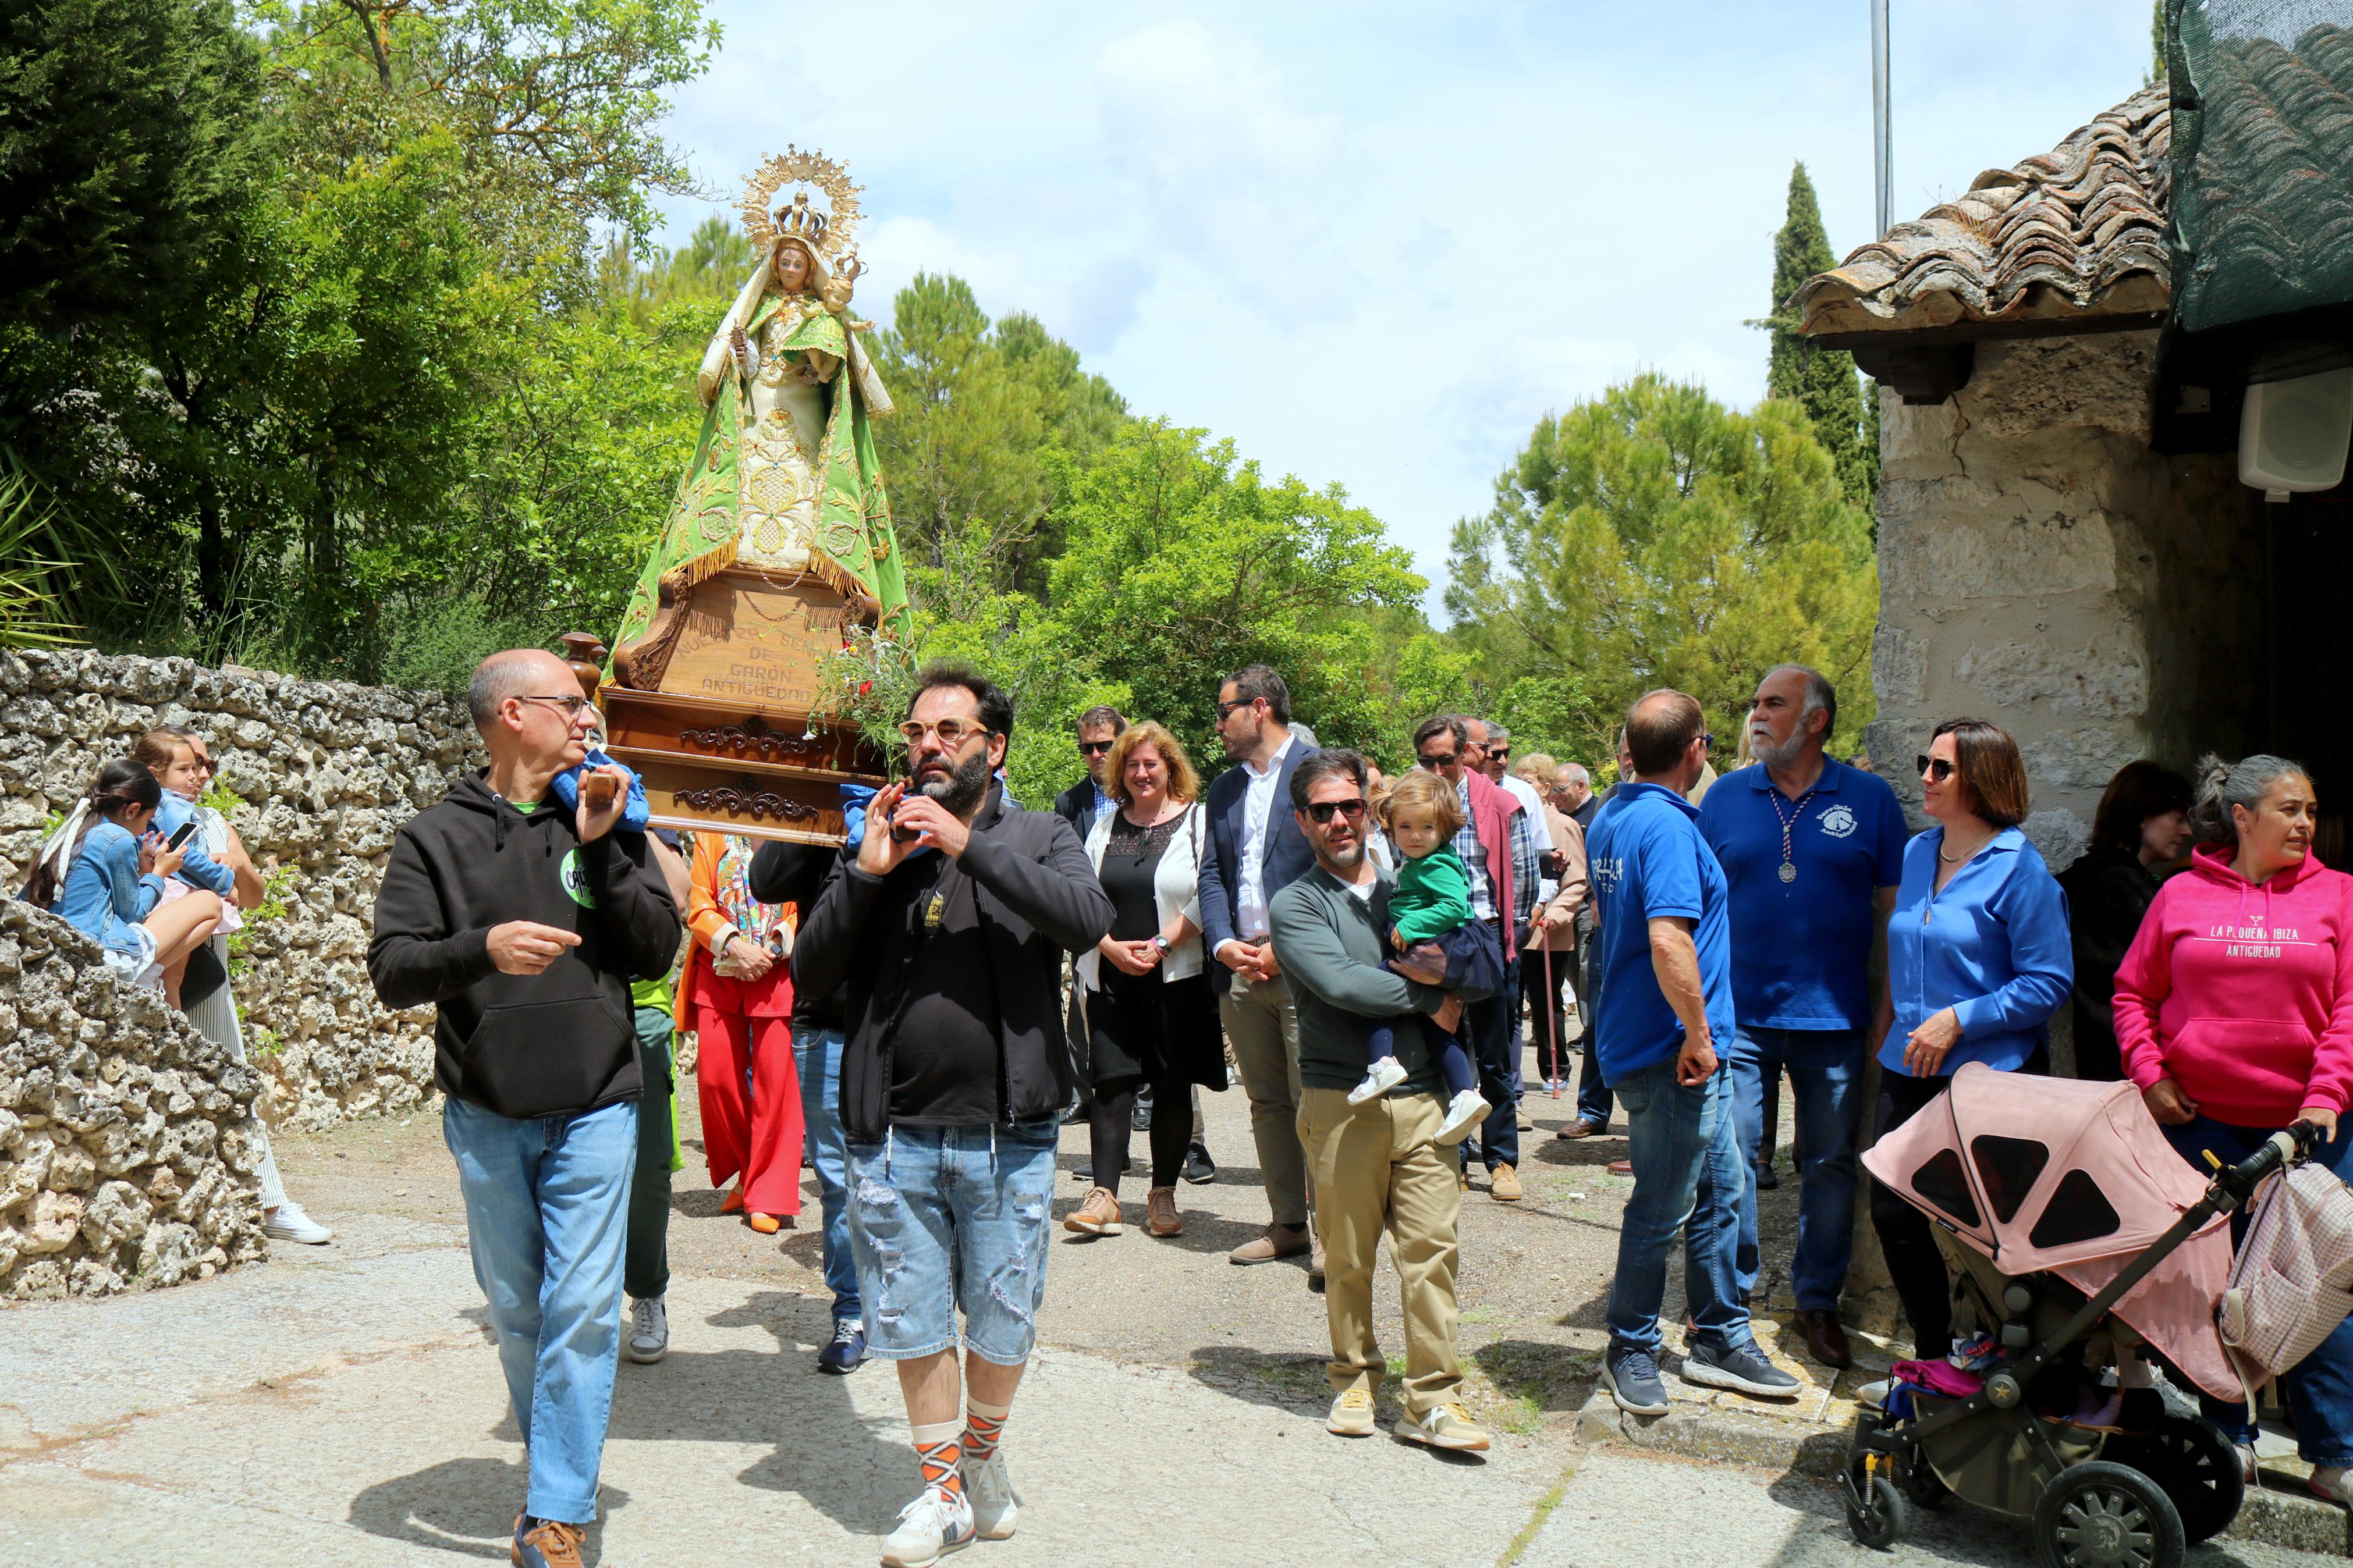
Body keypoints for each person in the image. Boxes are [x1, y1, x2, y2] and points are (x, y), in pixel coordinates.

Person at [793, 664, 1114, 1567]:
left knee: (1004, 1319)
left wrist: (967, 845)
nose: (928, 745)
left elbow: (1084, 918)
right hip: (891, 1134)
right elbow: (809, 976)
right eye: (917, 731)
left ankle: (977, 1456)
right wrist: (863, 870)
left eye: (949, 730)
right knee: (911, 1319)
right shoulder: (880, 844)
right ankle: (942, 1494)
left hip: (1008, 1136)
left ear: (993, 746)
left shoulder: (1044, 833)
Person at [368, 649, 680, 1568]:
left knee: (582, 1305)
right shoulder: (434, 836)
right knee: (517, 1307)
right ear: (512, 712)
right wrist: (482, 947)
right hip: (488, 1111)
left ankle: (555, 1510)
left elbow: (657, 948)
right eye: (573, 703)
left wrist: (601, 843)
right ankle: (556, 1471)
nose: (590, 718)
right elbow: (392, 969)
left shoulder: (604, 814)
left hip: (597, 1104)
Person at [2116, 753, 2353, 1496]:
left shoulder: (2340, 896)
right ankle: (2226, 1439)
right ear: (2243, 817)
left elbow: (2349, 1010)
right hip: (2201, 1128)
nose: (2305, 823)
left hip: (2306, 1135)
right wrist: (2149, 1077)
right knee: (2212, 1289)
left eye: (2310, 810)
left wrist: (2323, 1096)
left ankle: (2335, 1454)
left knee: (2317, 1292)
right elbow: (2131, 994)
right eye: (2289, 809)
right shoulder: (2179, 894)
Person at [1270, 750, 1492, 1451]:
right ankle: (1353, 1378)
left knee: (1432, 1253)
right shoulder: (1296, 903)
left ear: (1369, 809)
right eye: (1322, 810)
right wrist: (1439, 994)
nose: (1340, 821)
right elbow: (1343, 987)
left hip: (1429, 1100)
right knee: (1348, 1255)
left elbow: (1488, 957)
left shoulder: (1415, 871)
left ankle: (1432, 1399)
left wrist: (1458, 970)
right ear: (1302, 821)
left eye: (1350, 806)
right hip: (1344, 1100)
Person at [1589, 693, 1798, 1414]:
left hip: (1657, 1043)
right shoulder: (1664, 828)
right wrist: (1699, 1036)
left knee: (1722, 1193)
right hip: (1671, 1052)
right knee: (1663, 1204)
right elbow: (1667, 938)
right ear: (1696, 750)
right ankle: (1631, 1346)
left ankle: (1718, 1335)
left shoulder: (1614, 814)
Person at [1697, 666, 1907, 1370]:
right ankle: (1729, 1306)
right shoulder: (1724, 797)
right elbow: (1696, 909)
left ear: (1815, 720)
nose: (1756, 715)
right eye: (1755, 702)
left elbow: (1897, 921)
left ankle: (1817, 1303)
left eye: (1773, 704)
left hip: (1836, 1018)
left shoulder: (1871, 799)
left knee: (1828, 1165)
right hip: (1740, 1019)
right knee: (1731, 1158)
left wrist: (1889, 1010)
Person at [1870, 718, 2070, 1361]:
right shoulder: (1917, 851)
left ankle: (2005, 1357)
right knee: (1893, 1214)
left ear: (1980, 779)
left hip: (1987, 1078)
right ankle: (1932, 1357)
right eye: (1923, 764)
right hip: (1905, 1065)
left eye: (1940, 768)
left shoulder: (2021, 869)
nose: (1924, 778)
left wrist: (1959, 1018)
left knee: (1990, 1229)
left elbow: (2049, 982)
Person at [130, 727, 334, 1246]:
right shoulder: (141, 814)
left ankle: (271, 1201)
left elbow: (253, 896)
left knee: (230, 1074)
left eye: (208, 765)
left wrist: (239, 865)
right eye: (192, 765)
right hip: (151, 965)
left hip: (207, 973)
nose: (202, 774)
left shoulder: (214, 821)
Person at [1065, 721, 1226, 1239]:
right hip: (1111, 971)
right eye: (1130, 764)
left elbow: (1209, 894)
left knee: (1170, 1084)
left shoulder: (1199, 823)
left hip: (1175, 974)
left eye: (1150, 764)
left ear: (1170, 767)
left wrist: (1160, 945)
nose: (1140, 773)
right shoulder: (1105, 826)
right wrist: (1108, 946)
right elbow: (1084, 893)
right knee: (1109, 1083)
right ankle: (1104, 1196)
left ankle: (1162, 1195)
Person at [1197, 664, 1323, 1271]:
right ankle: (1287, 1224)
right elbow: (1212, 875)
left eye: (1223, 711)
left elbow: (1339, 869)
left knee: (1317, 1100)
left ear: (1259, 708)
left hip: (1304, 969)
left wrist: (1286, 943)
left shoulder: (1319, 772)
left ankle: (1333, 1233)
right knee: (1268, 1102)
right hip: (1240, 970)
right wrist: (1223, 944)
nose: (1217, 724)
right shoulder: (1222, 789)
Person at [750, 833, 868, 1374]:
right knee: (841, 1180)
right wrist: (819, 816)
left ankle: (917, 1307)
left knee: (918, 1170)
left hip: (905, 1022)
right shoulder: (824, 826)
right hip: (825, 1023)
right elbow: (764, 880)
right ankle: (853, 1311)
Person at [1413, 714, 1539, 1201]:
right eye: (1427, 760)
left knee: (1492, 1056)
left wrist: (1510, 938)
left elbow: (1525, 881)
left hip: (1486, 936)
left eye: (1446, 759)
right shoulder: (1414, 801)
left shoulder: (1501, 804)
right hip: (1432, 940)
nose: (1438, 768)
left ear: (1467, 754)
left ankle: (1502, 1160)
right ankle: (1454, 1155)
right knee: (1443, 1050)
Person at [1353, 768, 1493, 1140]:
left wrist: (1411, 927)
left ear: (1446, 829)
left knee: (1376, 990)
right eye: (1405, 827)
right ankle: (1464, 1094)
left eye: (1427, 827)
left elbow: (1453, 905)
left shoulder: (1436, 863)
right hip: (1436, 946)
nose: (1415, 836)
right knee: (1439, 1029)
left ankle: (1382, 1062)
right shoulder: (1422, 860)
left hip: (1435, 945)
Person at [682, 831, 803, 1234]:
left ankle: (767, 1194)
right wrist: (733, 945)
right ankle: (751, 1171)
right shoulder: (710, 832)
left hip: (776, 968)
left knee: (776, 1085)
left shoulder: (795, 830)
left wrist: (772, 948)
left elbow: (807, 902)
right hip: (721, 968)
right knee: (716, 1080)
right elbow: (698, 903)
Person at [29, 760, 225, 1009]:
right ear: (132, 810)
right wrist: (160, 873)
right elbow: (131, 914)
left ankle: (146, 971)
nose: (144, 829)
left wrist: (143, 870)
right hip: (101, 951)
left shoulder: (76, 831)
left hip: (63, 942)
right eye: (147, 820)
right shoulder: (118, 838)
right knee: (209, 903)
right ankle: (147, 972)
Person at [2059, 761, 2193, 1082]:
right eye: (2177, 818)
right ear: (2143, 817)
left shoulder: (2085, 875)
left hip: (2102, 1055)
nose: (2187, 831)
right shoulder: (2121, 886)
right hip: (2133, 1062)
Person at [624, 827, 692, 1365]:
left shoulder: (650, 824)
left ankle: (647, 1292)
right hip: (564, 1002)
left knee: (648, 1166)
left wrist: (638, 828)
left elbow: (682, 899)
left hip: (641, 1008)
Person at [1519, 754, 1589, 1098]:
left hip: (1547, 931)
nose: (1521, 787)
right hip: (1515, 929)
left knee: (1548, 1003)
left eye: (1528, 781)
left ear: (1545, 788)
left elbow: (1577, 881)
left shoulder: (1563, 825)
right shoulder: (1515, 820)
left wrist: (1555, 915)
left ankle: (1556, 1069)